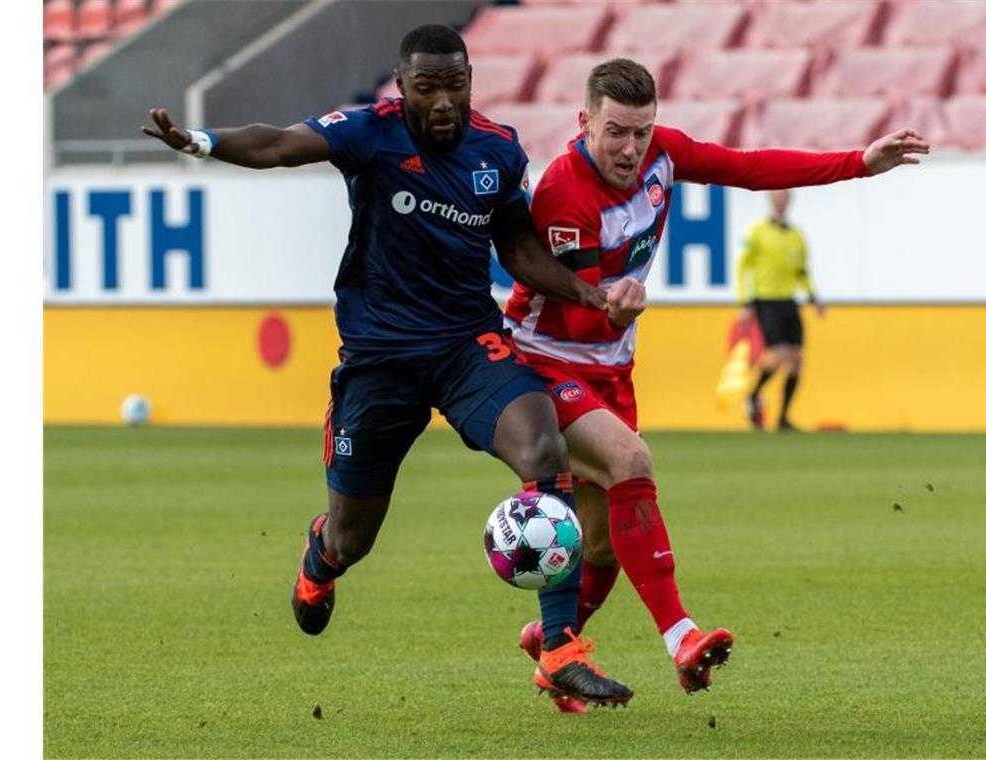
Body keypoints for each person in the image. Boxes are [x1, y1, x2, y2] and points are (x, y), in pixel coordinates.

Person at [141, 25, 634, 709]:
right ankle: (322, 555)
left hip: (467, 347)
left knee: (543, 445)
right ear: (401, 87)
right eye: (426, 87)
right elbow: (281, 144)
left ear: (469, 82)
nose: (442, 102)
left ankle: (558, 649)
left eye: (453, 85)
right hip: (379, 361)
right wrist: (202, 142)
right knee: (355, 536)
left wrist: (587, 292)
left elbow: (519, 250)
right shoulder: (368, 134)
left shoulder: (497, 149)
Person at [501, 58, 929, 712]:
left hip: (611, 367)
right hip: (544, 362)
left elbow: (749, 168)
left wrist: (857, 163)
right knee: (630, 462)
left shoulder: (662, 155)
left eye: (641, 132)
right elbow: (582, 302)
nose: (630, 147)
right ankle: (681, 636)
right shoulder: (564, 192)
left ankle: (556, 646)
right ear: (584, 121)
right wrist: (615, 301)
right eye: (615, 131)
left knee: (603, 543)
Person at [738, 189, 822, 431]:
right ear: (770, 200)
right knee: (778, 356)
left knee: (797, 360)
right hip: (766, 300)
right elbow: (743, 267)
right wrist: (745, 302)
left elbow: (802, 271)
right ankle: (753, 395)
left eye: (784, 197)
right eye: (777, 197)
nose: (781, 201)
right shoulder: (757, 232)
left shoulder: (796, 236)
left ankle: (783, 418)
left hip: (789, 301)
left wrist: (813, 297)